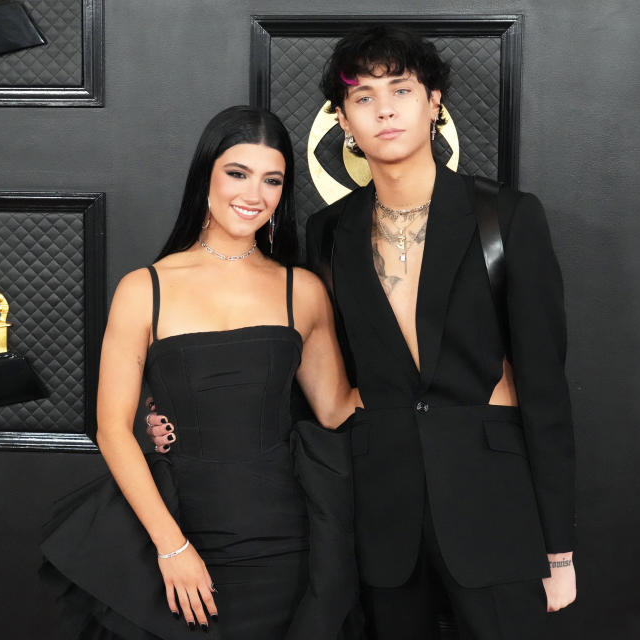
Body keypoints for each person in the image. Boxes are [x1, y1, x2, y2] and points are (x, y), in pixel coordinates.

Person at [150, 26, 577, 639]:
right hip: (378, 514)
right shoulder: (327, 232)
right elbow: (306, 376)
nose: (384, 109)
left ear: (434, 104)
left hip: (493, 508)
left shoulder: (505, 217)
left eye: (401, 90)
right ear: (344, 121)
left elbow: (545, 389)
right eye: (363, 96)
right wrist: (169, 418)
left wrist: (558, 547)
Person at [41, 105, 362, 640]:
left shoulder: (301, 290)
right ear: (206, 176)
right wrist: (172, 547)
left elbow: (334, 408)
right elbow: (113, 429)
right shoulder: (145, 288)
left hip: (287, 542)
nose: (253, 194)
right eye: (237, 173)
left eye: (272, 180)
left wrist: (435, 376)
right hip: (182, 532)